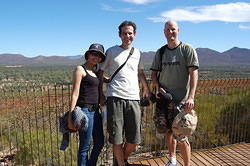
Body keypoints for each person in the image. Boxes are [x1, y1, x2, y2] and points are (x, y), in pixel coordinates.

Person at [99, 20, 151, 166]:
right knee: (116, 138)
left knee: (134, 139)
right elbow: (100, 72)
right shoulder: (111, 51)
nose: (127, 36)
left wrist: (146, 90)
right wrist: (101, 94)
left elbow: (140, 73)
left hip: (134, 98)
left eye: (130, 33)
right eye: (124, 33)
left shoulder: (137, 53)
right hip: (115, 97)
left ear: (135, 34)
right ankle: (121, 164)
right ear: (119, 35)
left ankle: (122, 159)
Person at [150, 20, 199, 166]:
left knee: (182, 136)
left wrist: (191, 97)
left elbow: (194, 73)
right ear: (164, 32)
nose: (170, 32)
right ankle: (172, 159)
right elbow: (153, 74)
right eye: (167, 30)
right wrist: (158, 88)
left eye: (173, 29)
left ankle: (187, 164)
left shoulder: (187, 49)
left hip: (181, 102)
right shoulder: (161, 52)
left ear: (178, 30)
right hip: (164, 100)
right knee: (168, 132)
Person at [68, 43, 105, 166]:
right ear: (88, 55)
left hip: (96, 112)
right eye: (93, 53)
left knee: (99, 142)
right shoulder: (80, 69)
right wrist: (70, 117)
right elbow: (74, 94)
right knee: (85, 146)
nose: (96, 57)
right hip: (84, 112)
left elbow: (108, 79)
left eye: (99, 55)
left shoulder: (96, 72)